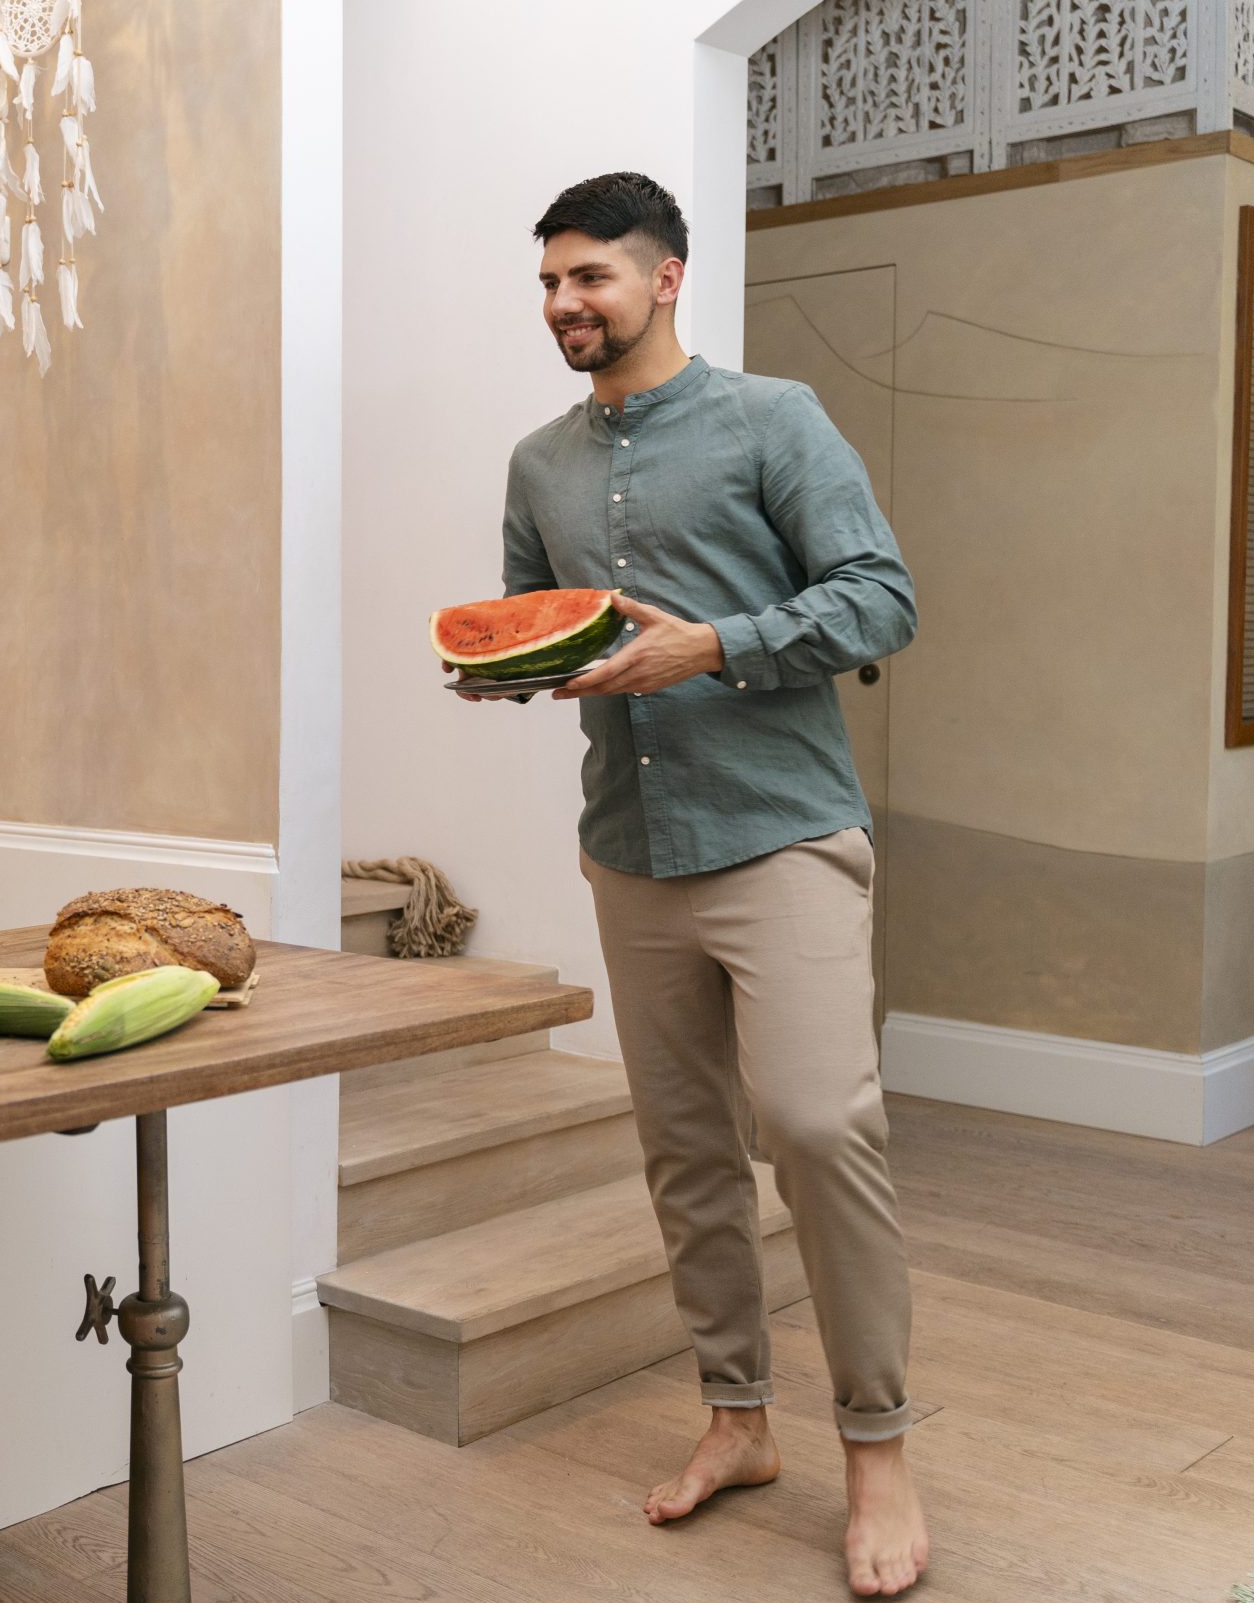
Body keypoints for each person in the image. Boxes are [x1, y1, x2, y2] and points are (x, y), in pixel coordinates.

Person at [492, 172, 928, 1597]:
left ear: (664, 278)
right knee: (685, 1153)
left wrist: (716, 644)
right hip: (629, 844)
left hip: (781, 830)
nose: (564, 303)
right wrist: (507, 665)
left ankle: (877, 1444)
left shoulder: (772, 418)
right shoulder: (538, 464)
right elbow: (537, 626)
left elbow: (881, 597)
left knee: (816, 1121)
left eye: (590, 277)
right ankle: (738, 1419)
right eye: (549, 281)